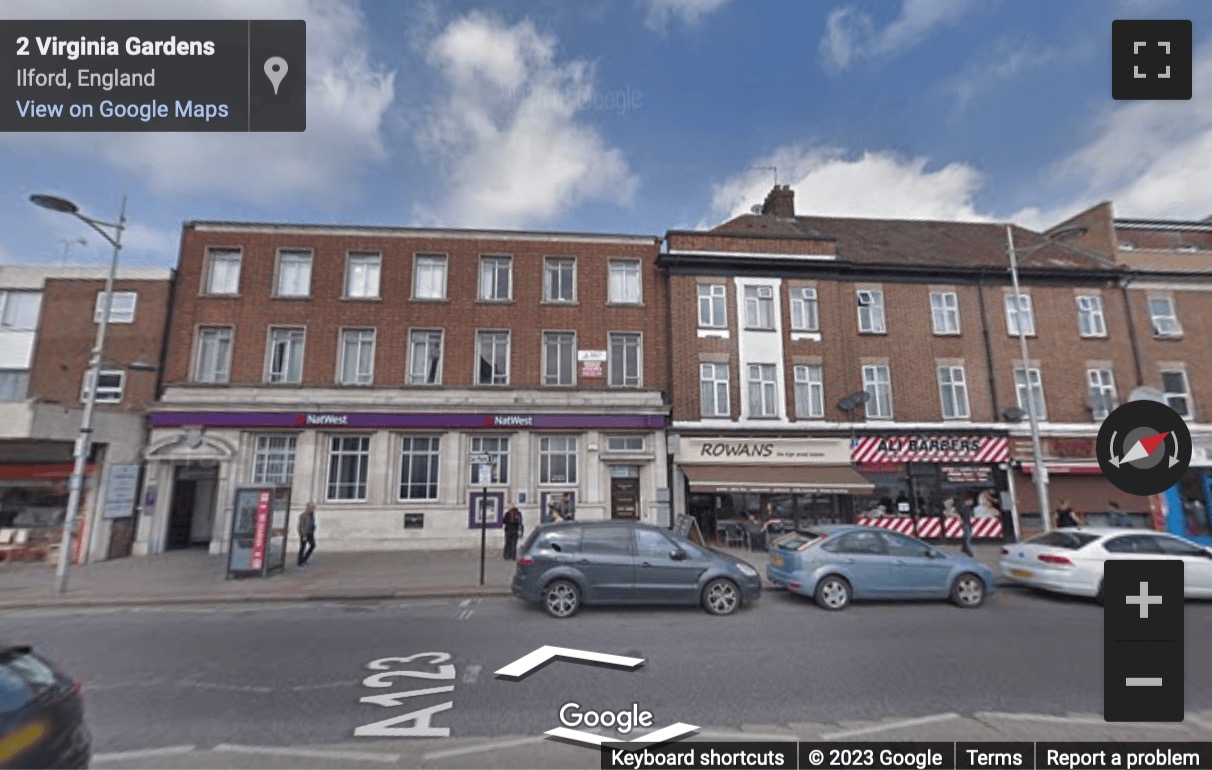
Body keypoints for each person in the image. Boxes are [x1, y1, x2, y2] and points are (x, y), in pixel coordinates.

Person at [297, 502, 317, 567]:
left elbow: (312, 523)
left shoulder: (312, 515)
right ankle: (300, 562)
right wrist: (303, 535)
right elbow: (301, 526)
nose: (313, 509)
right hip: (304, 533)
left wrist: (314, 527)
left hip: (310, 533)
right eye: (312, 507)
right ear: (308, 508)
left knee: (313, 545)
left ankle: (304, 559)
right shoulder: (303, 515)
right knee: (303, 547)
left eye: (314, 508)